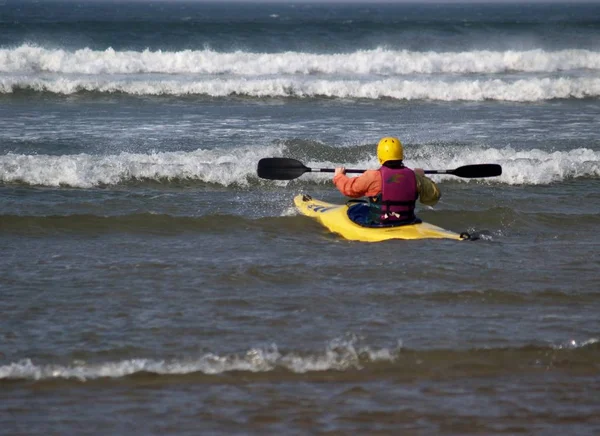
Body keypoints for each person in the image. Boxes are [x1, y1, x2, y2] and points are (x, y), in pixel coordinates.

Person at [333, 136, 441, 227]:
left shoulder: (373, 176)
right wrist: (422, 177)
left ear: (380, 156)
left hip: (380, 223)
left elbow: (349, 189)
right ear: (400, 154)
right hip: (407, 220)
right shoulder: (415, 176)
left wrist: (339, 176)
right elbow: (433, 197)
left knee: (355, 209)